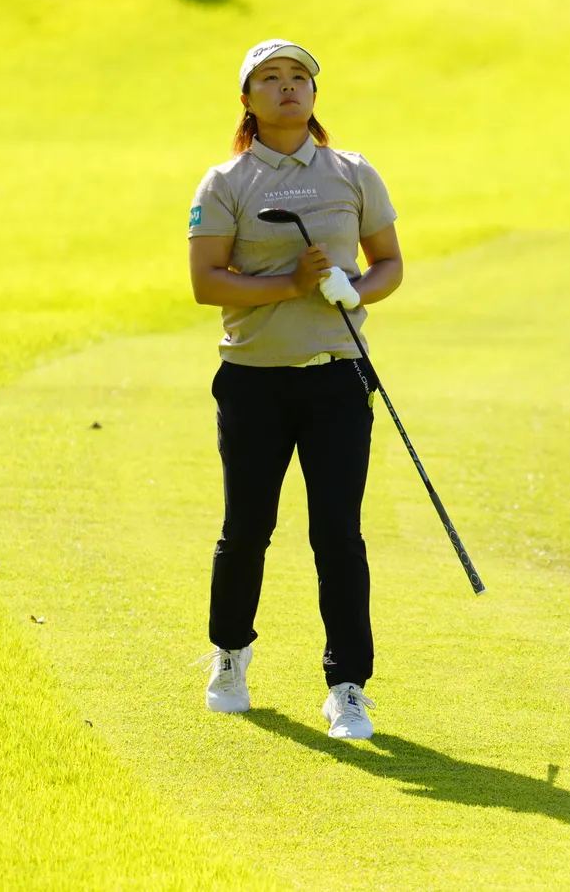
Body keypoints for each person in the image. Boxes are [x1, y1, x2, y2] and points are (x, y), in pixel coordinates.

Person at [186, 39, 403, 740]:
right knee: (247, 528)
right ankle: (230, 656)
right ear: (247, 100)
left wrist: (355, 290)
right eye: (271, 78)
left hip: (336, 378)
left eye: (299, 77)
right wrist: (291, 284)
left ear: (313, 94)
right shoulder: (225, 182)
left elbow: (389, 263)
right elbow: (206, 282)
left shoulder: (353, 172)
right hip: (252, 383)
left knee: (338, 534)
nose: (288, 87)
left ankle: (347, 687)